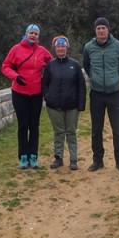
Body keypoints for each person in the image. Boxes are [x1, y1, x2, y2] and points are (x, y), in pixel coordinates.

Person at [82, 17, 119, 173]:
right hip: (96, 94)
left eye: (103, 28)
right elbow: (87, 66)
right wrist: (95, 80)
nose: (101, 31)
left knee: (117, 129)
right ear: (95, 30)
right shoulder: (89, 47)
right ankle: (97, 161)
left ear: (108, 29)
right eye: (98, 28)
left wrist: (116, 80)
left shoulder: (118, 46)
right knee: (96, 129)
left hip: (115, 94)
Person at [1, 24, 53, 169]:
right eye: (31, 33)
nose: (33, 36)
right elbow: (5, 66)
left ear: (38, 36)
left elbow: (52, 65)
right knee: (23, 125)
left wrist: (46, 80)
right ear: (26, 34)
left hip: (36, 93)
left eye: (36, 34)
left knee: (34, 125)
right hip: (19, 93)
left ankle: (33, 156)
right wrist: (15, 76)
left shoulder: (42, 51)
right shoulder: (16, 49)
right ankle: (23, 156)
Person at [42, 36, 86, 171]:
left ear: (67, 47)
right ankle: (58, 158)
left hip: (72, 106)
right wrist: (48, 97)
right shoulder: (50, 65)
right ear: (54, 48)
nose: (60, 48)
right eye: (58, 46)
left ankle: (73, 160)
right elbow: (45, 84)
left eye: (63, 46)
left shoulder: (75, 64)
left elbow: (81, 86)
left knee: (71, 132)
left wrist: (81, 104)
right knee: (59, 132)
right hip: (54, 106)